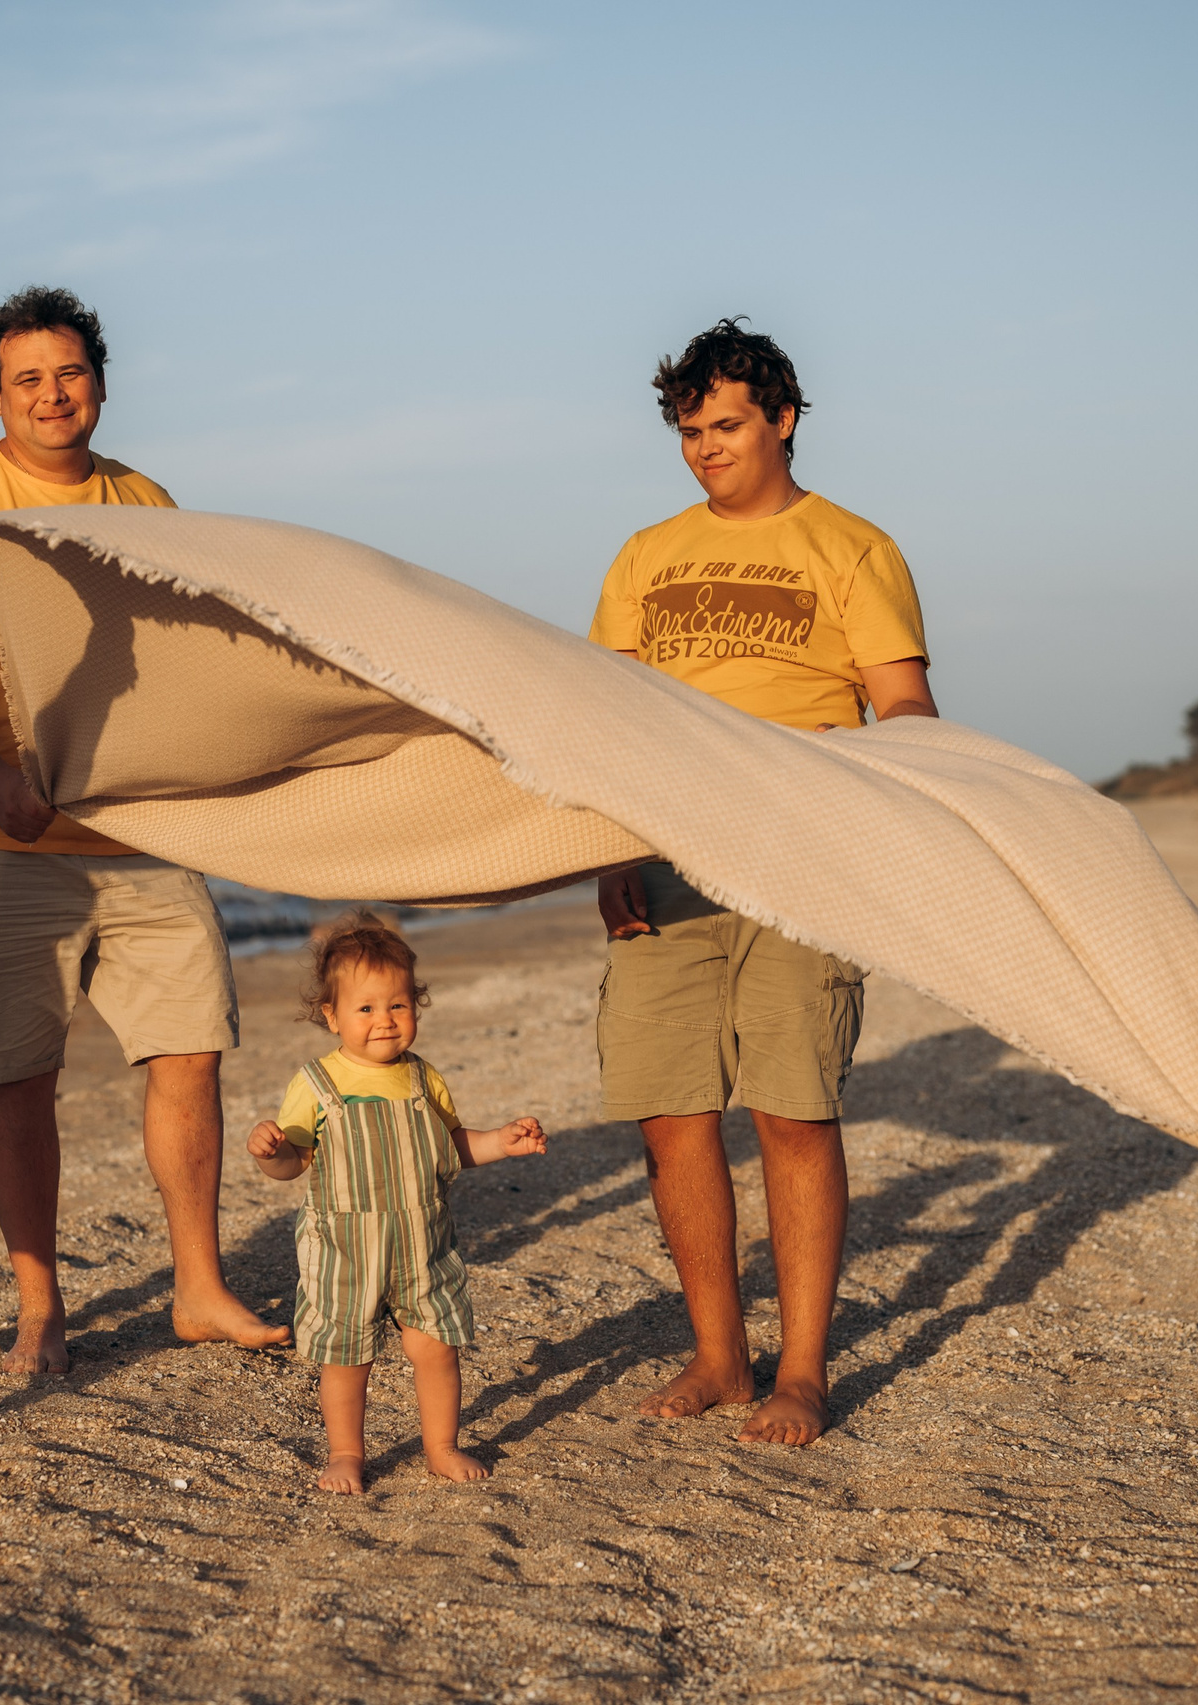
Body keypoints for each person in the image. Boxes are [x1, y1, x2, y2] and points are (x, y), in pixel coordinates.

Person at [0, 286, 284, 1374]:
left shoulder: (144, 500)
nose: (52, 395)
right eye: (28, 380)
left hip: (138, 829)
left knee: (189, 1052)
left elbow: (186, 657)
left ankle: (198, 1287)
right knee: (21, 1077)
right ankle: (40, 1305)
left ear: (99, 380)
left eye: (69, 373)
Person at [587, 318, 934, 1447]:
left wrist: (878, 795)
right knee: (672, 1115)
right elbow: (609, 723)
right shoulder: (645, 555)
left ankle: (803, 1372)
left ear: (781, 419)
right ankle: (719, 1356)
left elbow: (905, 706)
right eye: (691, 431)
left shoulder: (854, 548)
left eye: (727, 425)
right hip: (668, 865)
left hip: (803, 861)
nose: (707, 448)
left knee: (792, 1110)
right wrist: (610, 852)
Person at [245, 913, 546, 1493]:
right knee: (346, 1357)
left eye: (399, 1005)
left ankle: (441, 1446)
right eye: (365, 1008)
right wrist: (271, 1152)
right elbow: (293, 1164)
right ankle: (345, 1453)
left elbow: (453, 1147)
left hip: (421, 1245)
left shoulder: (422, 1079)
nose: (384, 1019)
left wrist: (500, 1143)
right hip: (346, 1252)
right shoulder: (316, 1084)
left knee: (436, 1347)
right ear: (331, 1015)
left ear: (416, 1006)